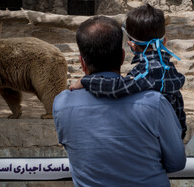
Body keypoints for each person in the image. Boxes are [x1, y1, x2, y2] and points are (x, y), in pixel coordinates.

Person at [53, 15, 186, 186]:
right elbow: (176, 162)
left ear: (82, 61)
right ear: (122, 57)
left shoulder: (61, 104)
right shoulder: (155, 102)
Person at [69, 3, 187, 139]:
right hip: (171, 136)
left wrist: (86, 81)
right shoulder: (168, 68)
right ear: (164, 41)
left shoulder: (148, 72)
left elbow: (117, 88)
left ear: (131, 44)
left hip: (152, 138)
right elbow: (178, 108)